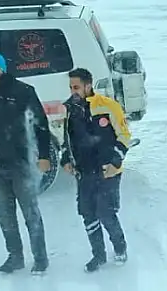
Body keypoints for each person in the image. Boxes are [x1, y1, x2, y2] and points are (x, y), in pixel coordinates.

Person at [0, 51, 53, 274]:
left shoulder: (23, 92)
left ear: (3, 70)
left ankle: (40, 258)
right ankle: (15, 256)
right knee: (5, 216)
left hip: (21, 164)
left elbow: (41, 126)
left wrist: (44, 157)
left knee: (30, 213)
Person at [59, 67, 132, 273]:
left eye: (76, 87)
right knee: (88, 214)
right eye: (71, 87)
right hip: (84, 172)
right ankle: (98, 255)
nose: (73, 91)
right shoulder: (69, 109)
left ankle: (120, 247)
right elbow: (66, 139)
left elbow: (124, 135)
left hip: (107, 170)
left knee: (106, 212)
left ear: (88, 86)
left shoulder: (108, 106)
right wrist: (66, 159)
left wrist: (115, 162)